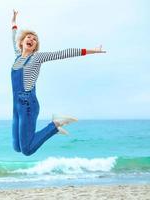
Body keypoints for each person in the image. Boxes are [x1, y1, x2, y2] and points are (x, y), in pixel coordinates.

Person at [11, 10, 106, 156]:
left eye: (34, 39)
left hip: (28, 106)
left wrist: (93, 51)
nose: (31, 39)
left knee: (27, 150)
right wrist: (14, 21)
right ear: (22, 42)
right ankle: (52, 130)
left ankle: (55, 125)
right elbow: (13, 36)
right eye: (28, 37)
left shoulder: (37, 58)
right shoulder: (17, 57)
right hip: (16, 107)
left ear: (35, 46)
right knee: (17, 147)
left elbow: (64, 53)